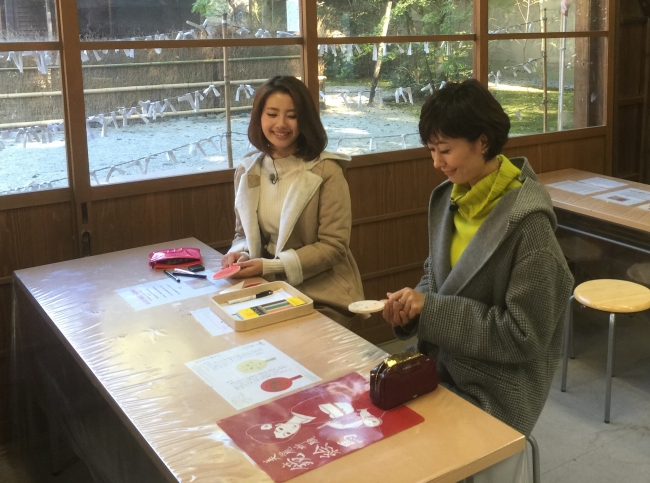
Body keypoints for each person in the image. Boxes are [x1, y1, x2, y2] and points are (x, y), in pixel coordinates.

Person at [382, 79, 574, 438]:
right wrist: (412, 305)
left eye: (444, 150)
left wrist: (431, 310)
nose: (436, 163)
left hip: (496, 384)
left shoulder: (529, 226)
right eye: (431, 150)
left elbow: (523, 336)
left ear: (482, 142)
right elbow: (435, 277)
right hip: (439, 362)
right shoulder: (449, 200)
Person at [222, 75, 364, 328]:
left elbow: (334, 246)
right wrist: (240, 255)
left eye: (292, 115)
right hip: (267, 288)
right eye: (272, 114)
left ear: (305, 120)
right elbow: (242, 234)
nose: (281, 124)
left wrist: (268, 266)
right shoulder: (248, 170)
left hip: (322, 292)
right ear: (259, 118)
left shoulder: (326, 171)